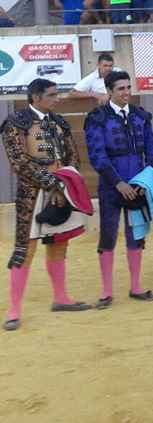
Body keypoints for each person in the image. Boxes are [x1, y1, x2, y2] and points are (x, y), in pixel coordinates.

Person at [1, 79, 92, 331]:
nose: (56, 99)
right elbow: (17, 161)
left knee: (59, 243)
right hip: (32, 193)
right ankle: (14, 309)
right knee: (24, 249)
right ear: (35, 97)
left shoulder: (59, 122)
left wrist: (63, 184)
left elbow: (73, 156)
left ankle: (60, 298)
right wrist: (52, 182)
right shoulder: (16, 122)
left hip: (60, 190)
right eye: (51, 95)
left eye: (56, 94)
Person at [84, 71, 153, 309]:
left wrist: (143, 182)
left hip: (138, 183)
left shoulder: (140, 116)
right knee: (108, 233)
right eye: (121, 89)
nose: (127, 92)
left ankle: (135, 286)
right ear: (109, 91)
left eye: (128, 87)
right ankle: (107, 291)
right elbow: (97, 155)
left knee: (136, 232)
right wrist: (118, 183)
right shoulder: (97, 118)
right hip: (110, 185)